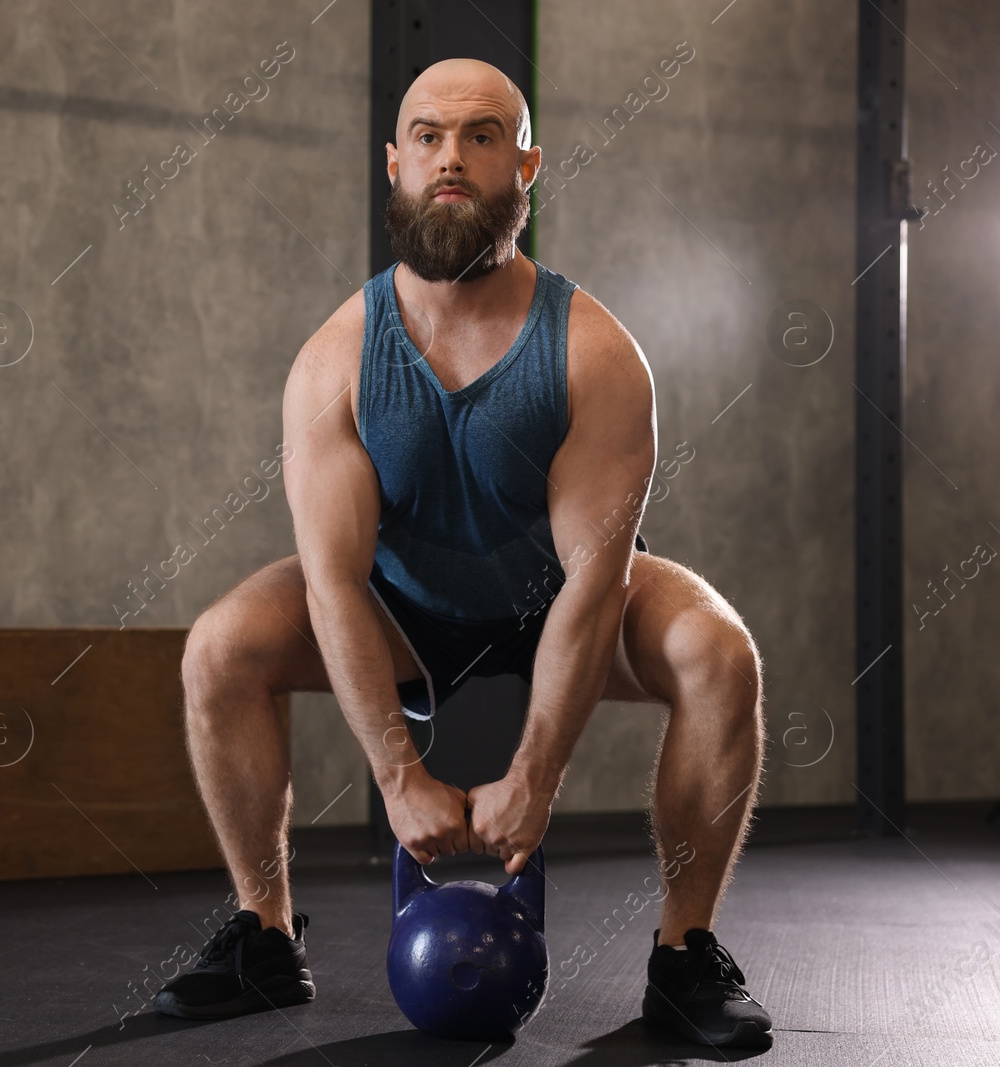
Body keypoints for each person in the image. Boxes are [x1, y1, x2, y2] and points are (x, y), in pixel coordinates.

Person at [154, 58, 772, 1050]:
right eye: (430, 137)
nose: (452, 159)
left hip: (564, 603)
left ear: (523, 164)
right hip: (403, 613)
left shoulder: (592, 351)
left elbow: (592, 581)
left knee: (718, 652)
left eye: (481, 137)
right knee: (221, 645)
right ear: (392, 162)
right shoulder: (334, 360)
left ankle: (682, 952)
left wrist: (534, 773)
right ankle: (262, 937)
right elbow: (334, 581)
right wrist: (398, 777)